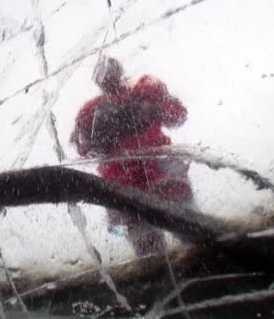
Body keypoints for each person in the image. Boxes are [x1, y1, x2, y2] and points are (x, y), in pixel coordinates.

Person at [70, 56, 192, 255]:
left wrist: (153, 109)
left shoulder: (145, 90)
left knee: (188, 230)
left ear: (119, 71)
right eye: (103, 76)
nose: (108, 78)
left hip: (159, 170)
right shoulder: (90, 112)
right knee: (152, 249)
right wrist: (97, 133)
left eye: (111, 72)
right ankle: (163, 271)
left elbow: (178, 115)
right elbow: (83, 148)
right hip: (125, 182)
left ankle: (198, 255)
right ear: (98, 81)